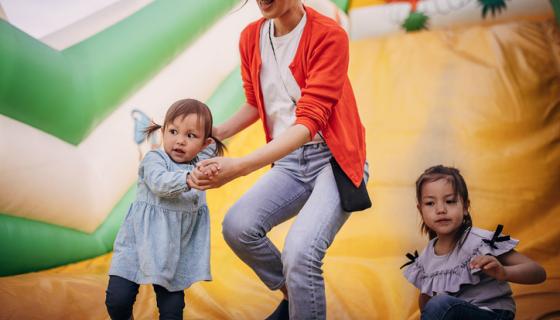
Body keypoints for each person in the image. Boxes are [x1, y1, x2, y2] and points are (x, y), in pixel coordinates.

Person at [188, 0, 369, 319]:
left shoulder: (329, 36)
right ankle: (297, 297)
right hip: (290, 161)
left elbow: (309, 121)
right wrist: (215, 133)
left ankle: (301, 296)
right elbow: (256, 102)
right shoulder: (249, 38)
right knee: (237, 226)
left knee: (300, 251)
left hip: (334, 159)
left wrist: (240, 167)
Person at [105, 99, 225, 320]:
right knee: (117, 300)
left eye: (190, 136)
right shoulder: (154, 159)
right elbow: (159, 182)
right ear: (163, 132)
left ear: (205, 144)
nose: (179, 141)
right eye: (173, 131)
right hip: (138, 242)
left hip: (174, 251)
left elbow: (215, 154)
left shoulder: (200, 164)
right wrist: (188, 178)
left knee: (172, 311)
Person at [402, 165, 547, 320]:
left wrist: (504, 272)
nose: (440, 209)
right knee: (437, 305)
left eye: (450, 201)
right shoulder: (426, 257)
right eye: (430, 203)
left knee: (440, 303)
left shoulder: (480, 241)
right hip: (453, 314)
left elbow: (538, 272)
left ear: (465, 207)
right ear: (420, 211)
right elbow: (427, 303)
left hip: (492, 315)